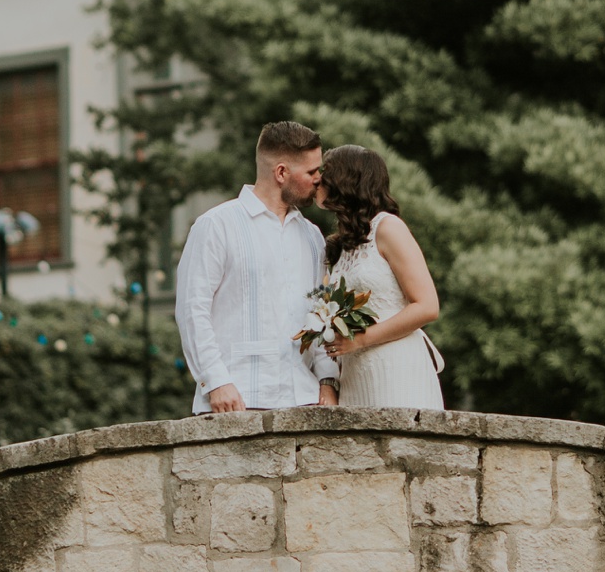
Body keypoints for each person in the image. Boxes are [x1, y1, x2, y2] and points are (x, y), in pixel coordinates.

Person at [175, 119, 341, 413]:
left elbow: (320, 315)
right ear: (281, 172)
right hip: (236, 400)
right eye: (312, 172)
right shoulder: (216, 225)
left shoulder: (312, 236)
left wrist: (328, 380)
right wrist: (215, 381)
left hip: (304, 400)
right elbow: (192, 309)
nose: (319, 179)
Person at [317, 144, 444, 410]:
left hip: (397, 367)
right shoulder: (340, 245)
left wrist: (360, 339)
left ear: (347, 180)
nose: (318, 179)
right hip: (355, 375)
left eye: (325, 173)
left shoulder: (388, 228)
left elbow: (427, 306)